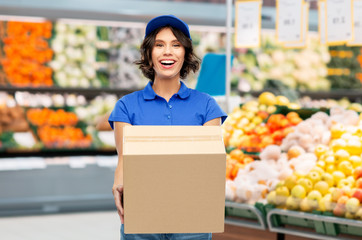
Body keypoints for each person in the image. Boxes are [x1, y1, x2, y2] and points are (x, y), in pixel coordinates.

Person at [108, 14, 227, 240]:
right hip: (142, 216)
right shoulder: (126, 106)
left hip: (192, 219)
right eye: (159, 45)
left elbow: (209, 163)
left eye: (176, 45)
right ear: (149, 54)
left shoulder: (207, 106)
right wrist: (118, 181)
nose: (167, 52)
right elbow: (124, 159)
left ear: (185, 54)